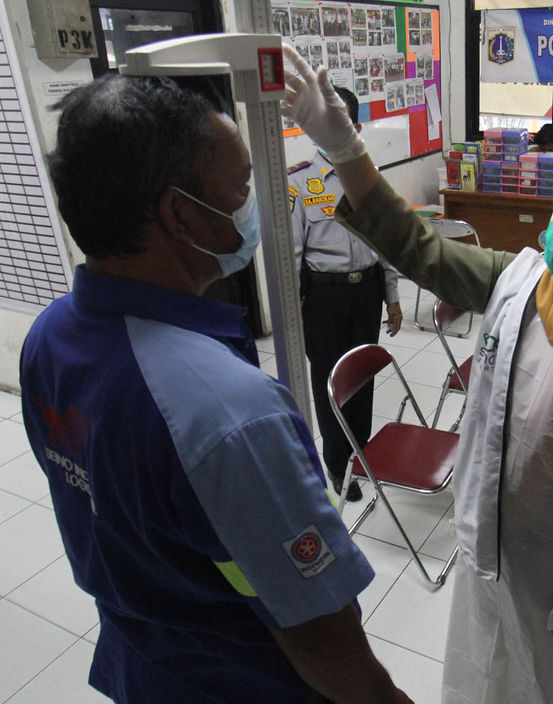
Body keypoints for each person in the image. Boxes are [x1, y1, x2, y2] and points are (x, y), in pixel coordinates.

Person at [281, 45, 553, 703]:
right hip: (493, 550)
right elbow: (416, 247)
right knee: (489, 677)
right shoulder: (520, 281)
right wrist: (344, 149)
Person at [21, 74, 410, 704]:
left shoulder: (48, 338)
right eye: (240, 188)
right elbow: (319, 635)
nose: (250, 205)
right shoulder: (230, 412)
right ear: (181, 215)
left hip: (147, 665)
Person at [288, 85, 403, 501]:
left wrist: (391, 295)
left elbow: (384, 241)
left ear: (356, 129)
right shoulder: (301, 182)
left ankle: (363, 452)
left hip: (366, 291)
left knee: (364, 374)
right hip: (325, 296)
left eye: (346, 127)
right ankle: (338, 465)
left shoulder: (370, 178)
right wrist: (295, 313)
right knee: (329, 380)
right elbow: (292, 256)